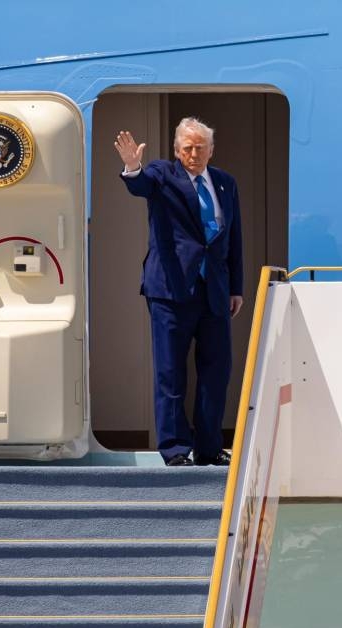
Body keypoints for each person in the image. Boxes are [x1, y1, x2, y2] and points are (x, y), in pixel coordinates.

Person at [114, 118, 243, 466]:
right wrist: (132, 167)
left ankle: (209, 448)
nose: (194, 154)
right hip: (171, 291)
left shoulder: (225, 183)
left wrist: (236, 288)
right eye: (187, 148)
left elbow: (233, 240)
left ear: (211, 150)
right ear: (176, 150)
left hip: (214, 291)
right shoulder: (162, 175)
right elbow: (140, 185)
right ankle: (174, 449)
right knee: (170, 372)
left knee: (216, 372)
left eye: (200, 147)